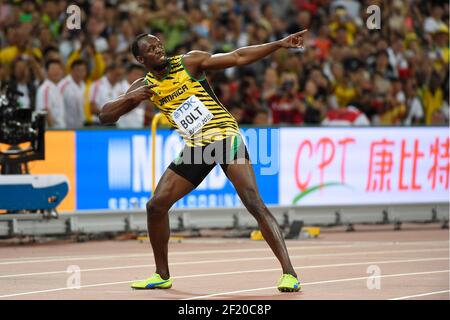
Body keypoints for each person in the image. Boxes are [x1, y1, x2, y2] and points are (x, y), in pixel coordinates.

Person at [99, 30, 308, 292]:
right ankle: (161, 274)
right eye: (152, 49)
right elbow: (105, 116)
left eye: (159, 44)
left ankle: (289, 274)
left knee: (253, 201)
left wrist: (278, 44)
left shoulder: (189, 62)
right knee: (155, 205)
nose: (159, 50)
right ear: (141, 59)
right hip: (197, 147)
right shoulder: (143, 86)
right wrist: (132, 97)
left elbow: (239, 57)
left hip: (224, 137)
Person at [36, 59, 65, 128]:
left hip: (61, 130)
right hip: (51, 132)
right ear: (46, 72)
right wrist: (52, 130)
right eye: (53, 69)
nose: (56, 71)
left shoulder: (57, 88)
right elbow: (45, 111)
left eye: (58, 69)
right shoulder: (45, 89)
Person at [59, 59, 88, 129]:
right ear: (72, 71)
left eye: (83, 71)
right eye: (78, 70)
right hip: (66, 127)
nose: (80, 74)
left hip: (81, 126)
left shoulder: (85, 86)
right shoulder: (63, 85)